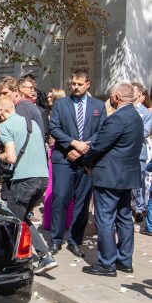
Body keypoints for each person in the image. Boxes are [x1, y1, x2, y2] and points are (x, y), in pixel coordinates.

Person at [82, 83, 143, 276]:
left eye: (111, 96)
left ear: (116, 97)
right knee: (124, 217)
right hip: (126, 175)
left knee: (105, 219)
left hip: (109, 176)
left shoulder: (118, 118)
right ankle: (124, 259)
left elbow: (99, 145)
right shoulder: (135, 116)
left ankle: (107, 263)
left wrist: (87, 161)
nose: (110, 99)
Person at [0, 96, 56, 274]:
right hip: (43, 178)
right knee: (22, 218)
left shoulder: (5, 126)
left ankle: (25, 258)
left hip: (24, 180)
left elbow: (11, 157)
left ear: (1, 111)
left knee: (13, 219)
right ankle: (43, 256)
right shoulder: (32, 124)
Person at [48, 69, 106, 257]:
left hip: (86, 160)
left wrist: (84, 147)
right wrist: (73, 144)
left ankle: (75, 240)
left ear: (88, 84)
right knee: (61, 197)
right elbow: (54, 128)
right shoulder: (61, 104)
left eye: (79, 84)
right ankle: (56, 239)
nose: (75, 87)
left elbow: (102, 130)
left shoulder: (98, 105)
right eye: (73, 83)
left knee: (82, 202)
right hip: (64, 158)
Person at [42, 88, 74, 230]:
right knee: (53, 186)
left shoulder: (56, 113)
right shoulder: (49, 113)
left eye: (51, 97)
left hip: (58, 149)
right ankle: (53, 221)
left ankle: (59, 220)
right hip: (54, 149)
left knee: (58, 187)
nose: (48, 99)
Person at [130, 82, 152, 223]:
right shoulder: (126, 109)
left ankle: (139, 208)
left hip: (139, 152)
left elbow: (144, 132)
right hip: (126, 152)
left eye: (133, 91)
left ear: (139, 94)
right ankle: (131, 206)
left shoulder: (146, 113)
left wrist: (126, 134)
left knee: (139, 180)